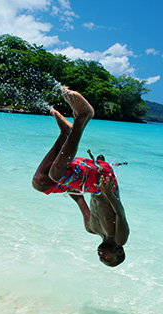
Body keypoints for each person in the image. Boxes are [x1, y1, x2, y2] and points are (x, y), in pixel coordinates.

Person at [32, 88, 129, 267]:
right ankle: (83, 116)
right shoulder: (119, 239)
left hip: (93, 187)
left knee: (41, 183)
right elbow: (120, 214)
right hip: (105, 184)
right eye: (107, 259)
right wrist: (109, 193)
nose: (101, 256)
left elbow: (79, 199)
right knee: (56, 174)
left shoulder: (91, 229)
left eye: (101, 260)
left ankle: (65, 135)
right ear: (119, 252)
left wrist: (68, 188)